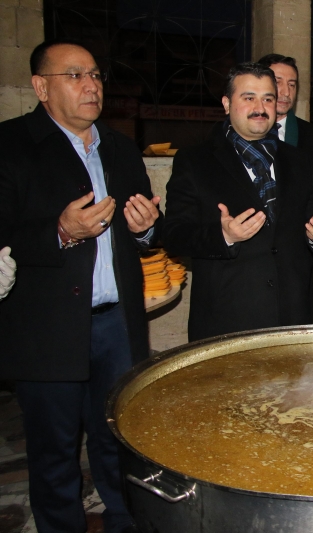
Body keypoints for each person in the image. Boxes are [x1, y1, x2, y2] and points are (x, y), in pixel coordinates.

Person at [0, 39, 162, 533]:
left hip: (117, 325)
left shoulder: (117, 146)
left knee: (119, 440)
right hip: (47, 328)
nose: (91, 85)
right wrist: (61, 232)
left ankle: (124, 524)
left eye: (94, 74)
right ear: (41, 87)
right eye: (74, 75)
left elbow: (147, 231)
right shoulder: (10, 145)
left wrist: (147, 227)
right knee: (54, 453)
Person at [163, 62, 313, 342]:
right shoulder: (195, 161)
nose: (260, 106)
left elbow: (311, 227)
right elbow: (174, 235)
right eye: (249, 97)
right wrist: (224, 235)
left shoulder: (300, 161)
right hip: (227, 321)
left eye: (268, 98)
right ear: (227, 104)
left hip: (292, 320)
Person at [256, 53, 313, 322]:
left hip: (300, 265)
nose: (285, 91)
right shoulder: (235, 136)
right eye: (277, 82)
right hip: (251, 268)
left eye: (292, 83)